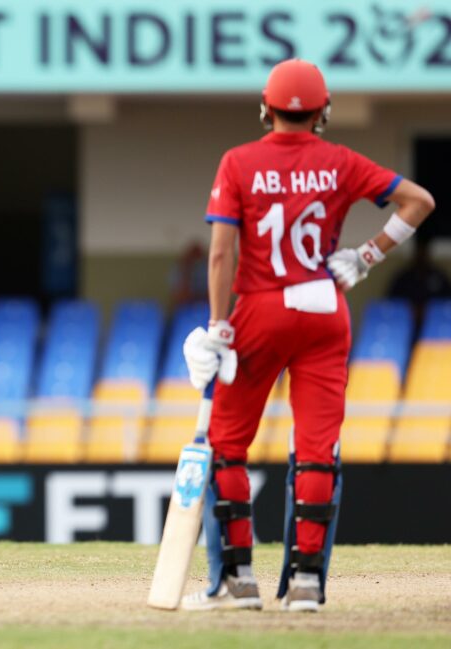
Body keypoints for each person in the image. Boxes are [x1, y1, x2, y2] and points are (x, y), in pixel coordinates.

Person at [181, 59, 435, 612]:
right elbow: (420, 202)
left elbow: (222, 252)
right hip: (324, 307)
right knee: (317, 450)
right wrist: (367, 256)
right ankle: (307, 584)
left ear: (266, 108)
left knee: (228, 443)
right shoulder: (340, 161)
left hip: (260, 308)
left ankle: (238, 580)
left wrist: (219, 323)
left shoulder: (240, 161)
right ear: (323, 113)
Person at [387, 237, 451, 330]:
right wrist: (410, 310)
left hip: (436, 324)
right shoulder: (403, 277)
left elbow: (447, 303)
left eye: (424, 252)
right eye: (419, 252)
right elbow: (392, 303)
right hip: (406, 324)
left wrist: (428, 310)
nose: (421, 255)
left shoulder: (439, 276)